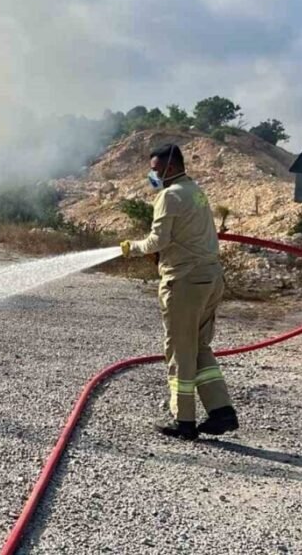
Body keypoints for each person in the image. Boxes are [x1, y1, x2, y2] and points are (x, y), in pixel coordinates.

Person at [120, 143, 238, 440]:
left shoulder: (169, 196)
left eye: (156, 169)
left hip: (184, 282)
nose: (152, 175)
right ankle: (222, 411)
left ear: (171, 167)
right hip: (210, 278)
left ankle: (184, 420)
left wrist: (132, 248)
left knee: (179, 350)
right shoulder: (196, 191)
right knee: (198, 346)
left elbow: (158, 240)